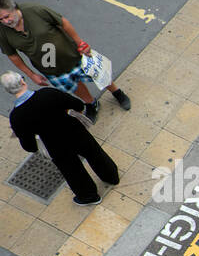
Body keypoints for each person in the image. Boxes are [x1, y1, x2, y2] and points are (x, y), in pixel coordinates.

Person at [0, 0, 130, 124]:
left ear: (14, 8)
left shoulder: (35, 10)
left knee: (99, 75)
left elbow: (63, 22)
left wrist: (80, 43)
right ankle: (91, 103)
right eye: (1, 19)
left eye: (7, 16)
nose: (6, 22)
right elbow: (13, 55)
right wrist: (32, 75)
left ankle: (117, 93)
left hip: (74, 56)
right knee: (74, 86)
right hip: (52, 70)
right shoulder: (3, 31)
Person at [3, 71, 118, 205]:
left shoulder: (16, 117)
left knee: (72, 170)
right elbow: (78, 105)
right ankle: (111, 176)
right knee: (94, 154)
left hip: (55, 145)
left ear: (9, 91)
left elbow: (29, 146)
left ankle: (89, 196)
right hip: (75, 131)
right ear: (23, 82)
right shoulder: (48, 93)